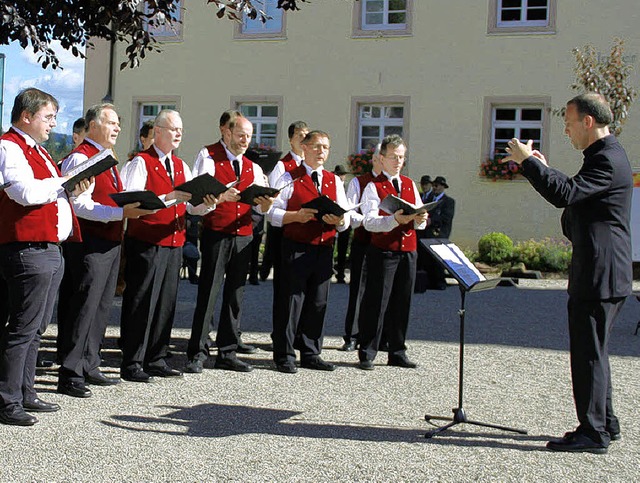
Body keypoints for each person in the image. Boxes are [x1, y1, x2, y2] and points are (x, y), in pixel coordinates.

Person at [503, 93, 631, 455]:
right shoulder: (605, 156)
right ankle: (605, 422)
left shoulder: (605, 159)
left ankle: (593, 432)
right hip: (605, 270)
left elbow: (567, 194)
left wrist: (530, 164)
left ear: (588, 121)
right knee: (597, 352)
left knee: (589, 354)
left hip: (599, 271)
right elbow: (577, 195)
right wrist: (543, 167)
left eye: (569, 123)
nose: (566, 130)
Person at [0, 88, 89, 426]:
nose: (54, 123)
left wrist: (71, 185)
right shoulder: (9, 146)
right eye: (48, 116)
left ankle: (24, 390)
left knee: (37, 327)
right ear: (27, 116)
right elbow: (22, 192)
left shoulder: (38, 149)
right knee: (22, 327)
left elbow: (51, 191)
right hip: (28, 247)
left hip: (49, 247)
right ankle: (7, 400)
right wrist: (62, 181)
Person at [56, 103, 155, 398]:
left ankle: (90, 362)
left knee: (100, 306)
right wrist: (120, 213)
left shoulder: (105, 159)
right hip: (88, 242)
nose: (118, 128)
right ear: (94, 125)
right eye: (112, 123)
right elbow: (79, 206)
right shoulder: (80, 157)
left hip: (110, 240)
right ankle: (70, 371)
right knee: (82, 306)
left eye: (118, 123)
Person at [119, 109, 212, 382]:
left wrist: (209, 202)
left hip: (174, 241)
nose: (179, 134)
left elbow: (192, 207)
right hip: (147, 241)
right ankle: (132, 360)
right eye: (173, 129)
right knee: (141, 300)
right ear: (157, 132)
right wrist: (170, 195)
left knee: (165, 302)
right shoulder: (140, 162)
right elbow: (133, 201)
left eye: (181, 130)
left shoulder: (182, 165)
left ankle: (157, 357)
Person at [185, 115, 273, 373]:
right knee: (209, 292)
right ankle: (198, 351)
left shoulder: (252, 167)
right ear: (226, 132)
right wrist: (219, 198)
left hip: (243, 233)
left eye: (249, 136)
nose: (245, 141)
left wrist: (266, 205)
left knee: (236, 294)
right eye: (240, 135)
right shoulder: (209, 156)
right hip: (216, 231)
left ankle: (228, 350)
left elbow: (261, 202)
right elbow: (196, 198)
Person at [268, 130, 350, 373]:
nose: (321, 152)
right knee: (290, 300)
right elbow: (272, 213)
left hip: (323, 247)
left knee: (317, 301)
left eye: (325, 147)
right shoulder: (289, 177)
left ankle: (311, 351)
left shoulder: (333, 180)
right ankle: (284, 354)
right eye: (316, 146)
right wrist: (296, 216)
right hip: (296, 245)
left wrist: (339, 221)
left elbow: (347, 216)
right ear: (304, 148)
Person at [356, 134, 427, 370]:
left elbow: (419, 219)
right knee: (376, 301)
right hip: (383, 250)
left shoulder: (408, 184)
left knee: (402, 301)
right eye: (393, 157)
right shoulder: (373, 187)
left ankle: (397, 350)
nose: (398, 162)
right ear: (381, 158)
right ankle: (367, 351)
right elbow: (369, 222)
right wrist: (394, 220)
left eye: (401, 157)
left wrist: (421, 217)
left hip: (408, 249)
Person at [339, 146, 382, 351]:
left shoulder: (396, 183)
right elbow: (349, 213)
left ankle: (377, 336)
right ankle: (352, 335)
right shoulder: (359, 182)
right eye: (384, 157)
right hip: (365, 241)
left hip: (387, 246)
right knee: (359, 289)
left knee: (382, 291)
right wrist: (371, 222)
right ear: (375, 159)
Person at [418, 175, 455, 290]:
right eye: (434, 185)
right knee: (427, 258)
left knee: (438, 259)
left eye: (437, 185)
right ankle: (430, 281)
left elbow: (446, 217)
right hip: (427, 233)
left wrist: (432, 221)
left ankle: (440, 281)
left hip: (440, 233)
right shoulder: (429, 200)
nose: (435, 188)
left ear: (443, 187)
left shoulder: (448, 201)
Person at [332, 164, 350, 284]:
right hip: (333, 220)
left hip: (344, 220)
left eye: (342, 175)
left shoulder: (348, 188)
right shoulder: (332, 186)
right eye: (338, 175)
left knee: (343, 249)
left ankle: (341, 274)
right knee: (331, 248)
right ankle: (330, 270)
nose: (340, 177)